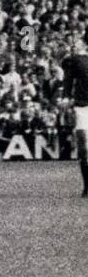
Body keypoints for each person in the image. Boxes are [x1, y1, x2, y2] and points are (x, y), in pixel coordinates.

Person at [59, 35, 88, 197]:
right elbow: (68, 79)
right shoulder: (76, 60)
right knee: (84, 148)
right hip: (82, 107)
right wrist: (65, 96)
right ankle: (87, 187)